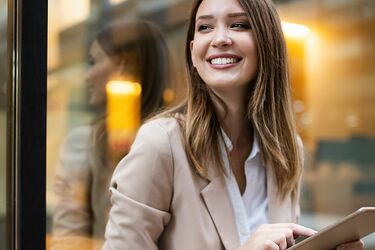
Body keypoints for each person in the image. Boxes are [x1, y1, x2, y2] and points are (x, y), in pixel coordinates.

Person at [103, 0, 364, 249]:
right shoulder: (161, 144)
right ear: (193, 52)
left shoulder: (286, 149)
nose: (220, 39)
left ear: (267, 43)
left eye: (238, 25)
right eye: (205, 27)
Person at [51, 19, 170, 250]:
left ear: (125, 66)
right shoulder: (181, 137)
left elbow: (68, 238)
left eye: (94, 61)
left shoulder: (85, 143)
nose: (88, 76)